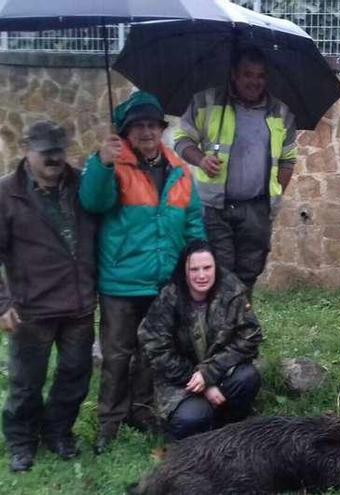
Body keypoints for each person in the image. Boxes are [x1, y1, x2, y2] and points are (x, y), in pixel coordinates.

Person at [79, 91, 205, 453]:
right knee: (117, 355)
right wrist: (103, 163)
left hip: (163, 282)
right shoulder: (110, 166)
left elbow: (193, 221)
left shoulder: (179, 171)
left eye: (153, 125)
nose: (148, 132)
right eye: (139, 126)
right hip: (121, 283)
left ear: (162, 130)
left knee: (153, 352)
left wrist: (196, 258)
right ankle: (109, 423)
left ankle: (142, 410)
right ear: (127, 132)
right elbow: (92, 201)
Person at [0, 121, 98, 472]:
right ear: (27, 150)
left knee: (75, 373)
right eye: (46, 152)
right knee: (26, 382)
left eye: (58, 150)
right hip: (32, 308)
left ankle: (58, 432)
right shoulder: (6, 193)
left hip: (79, 304)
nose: (54, 158)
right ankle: (21, 442)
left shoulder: (83, 184)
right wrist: (2, 303)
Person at [174, 46, 297, 291]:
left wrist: (273, 195)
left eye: (260, 76)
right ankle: (218, 326)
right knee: (219, 271)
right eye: (248, 74)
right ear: (234, 74)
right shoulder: (207, 101)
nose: (255, 82)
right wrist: (200, 159)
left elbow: (287, 160)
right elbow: (181, 139)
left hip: (256, 210)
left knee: (249, 272)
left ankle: (240, 323)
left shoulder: (281, 112)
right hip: (214, 207)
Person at [138, 240, 263, 440]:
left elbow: (250, 335)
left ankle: (231, 430)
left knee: (247, 377)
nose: (202, 275)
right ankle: (196, 441)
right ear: (184, 272)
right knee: (192, 418)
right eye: (194, 269)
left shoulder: (231, 290)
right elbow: (155, 348)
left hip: (220, 371)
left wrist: (210, 372)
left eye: (207, 267)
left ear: (216, 267)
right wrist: (201, 382)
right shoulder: (169, 298)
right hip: (180, 380)